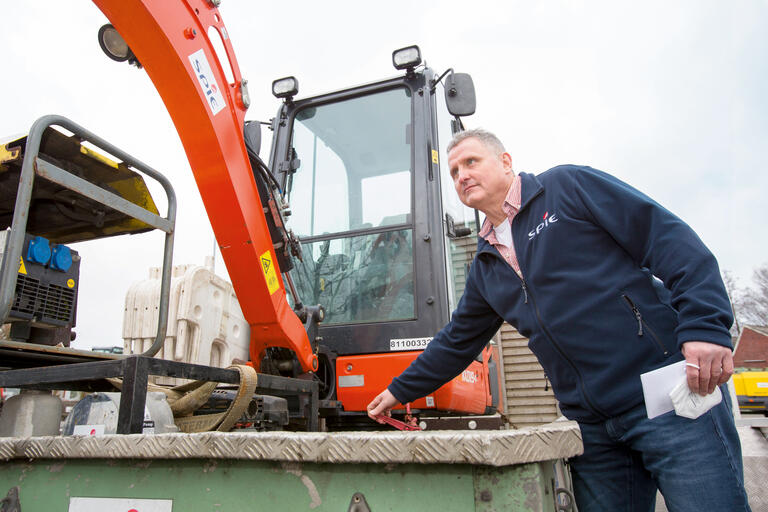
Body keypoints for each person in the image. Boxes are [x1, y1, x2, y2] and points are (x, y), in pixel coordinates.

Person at [367, 128, 750, 511]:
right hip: (594, 431)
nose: (461, 176)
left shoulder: (567, 188)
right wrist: (400, 390)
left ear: (505, 162)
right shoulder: (485, 264)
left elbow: (664, 237)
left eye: (471, 162)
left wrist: (704, 325)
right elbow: (457, 341)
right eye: (453, 172)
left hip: (669, 397)